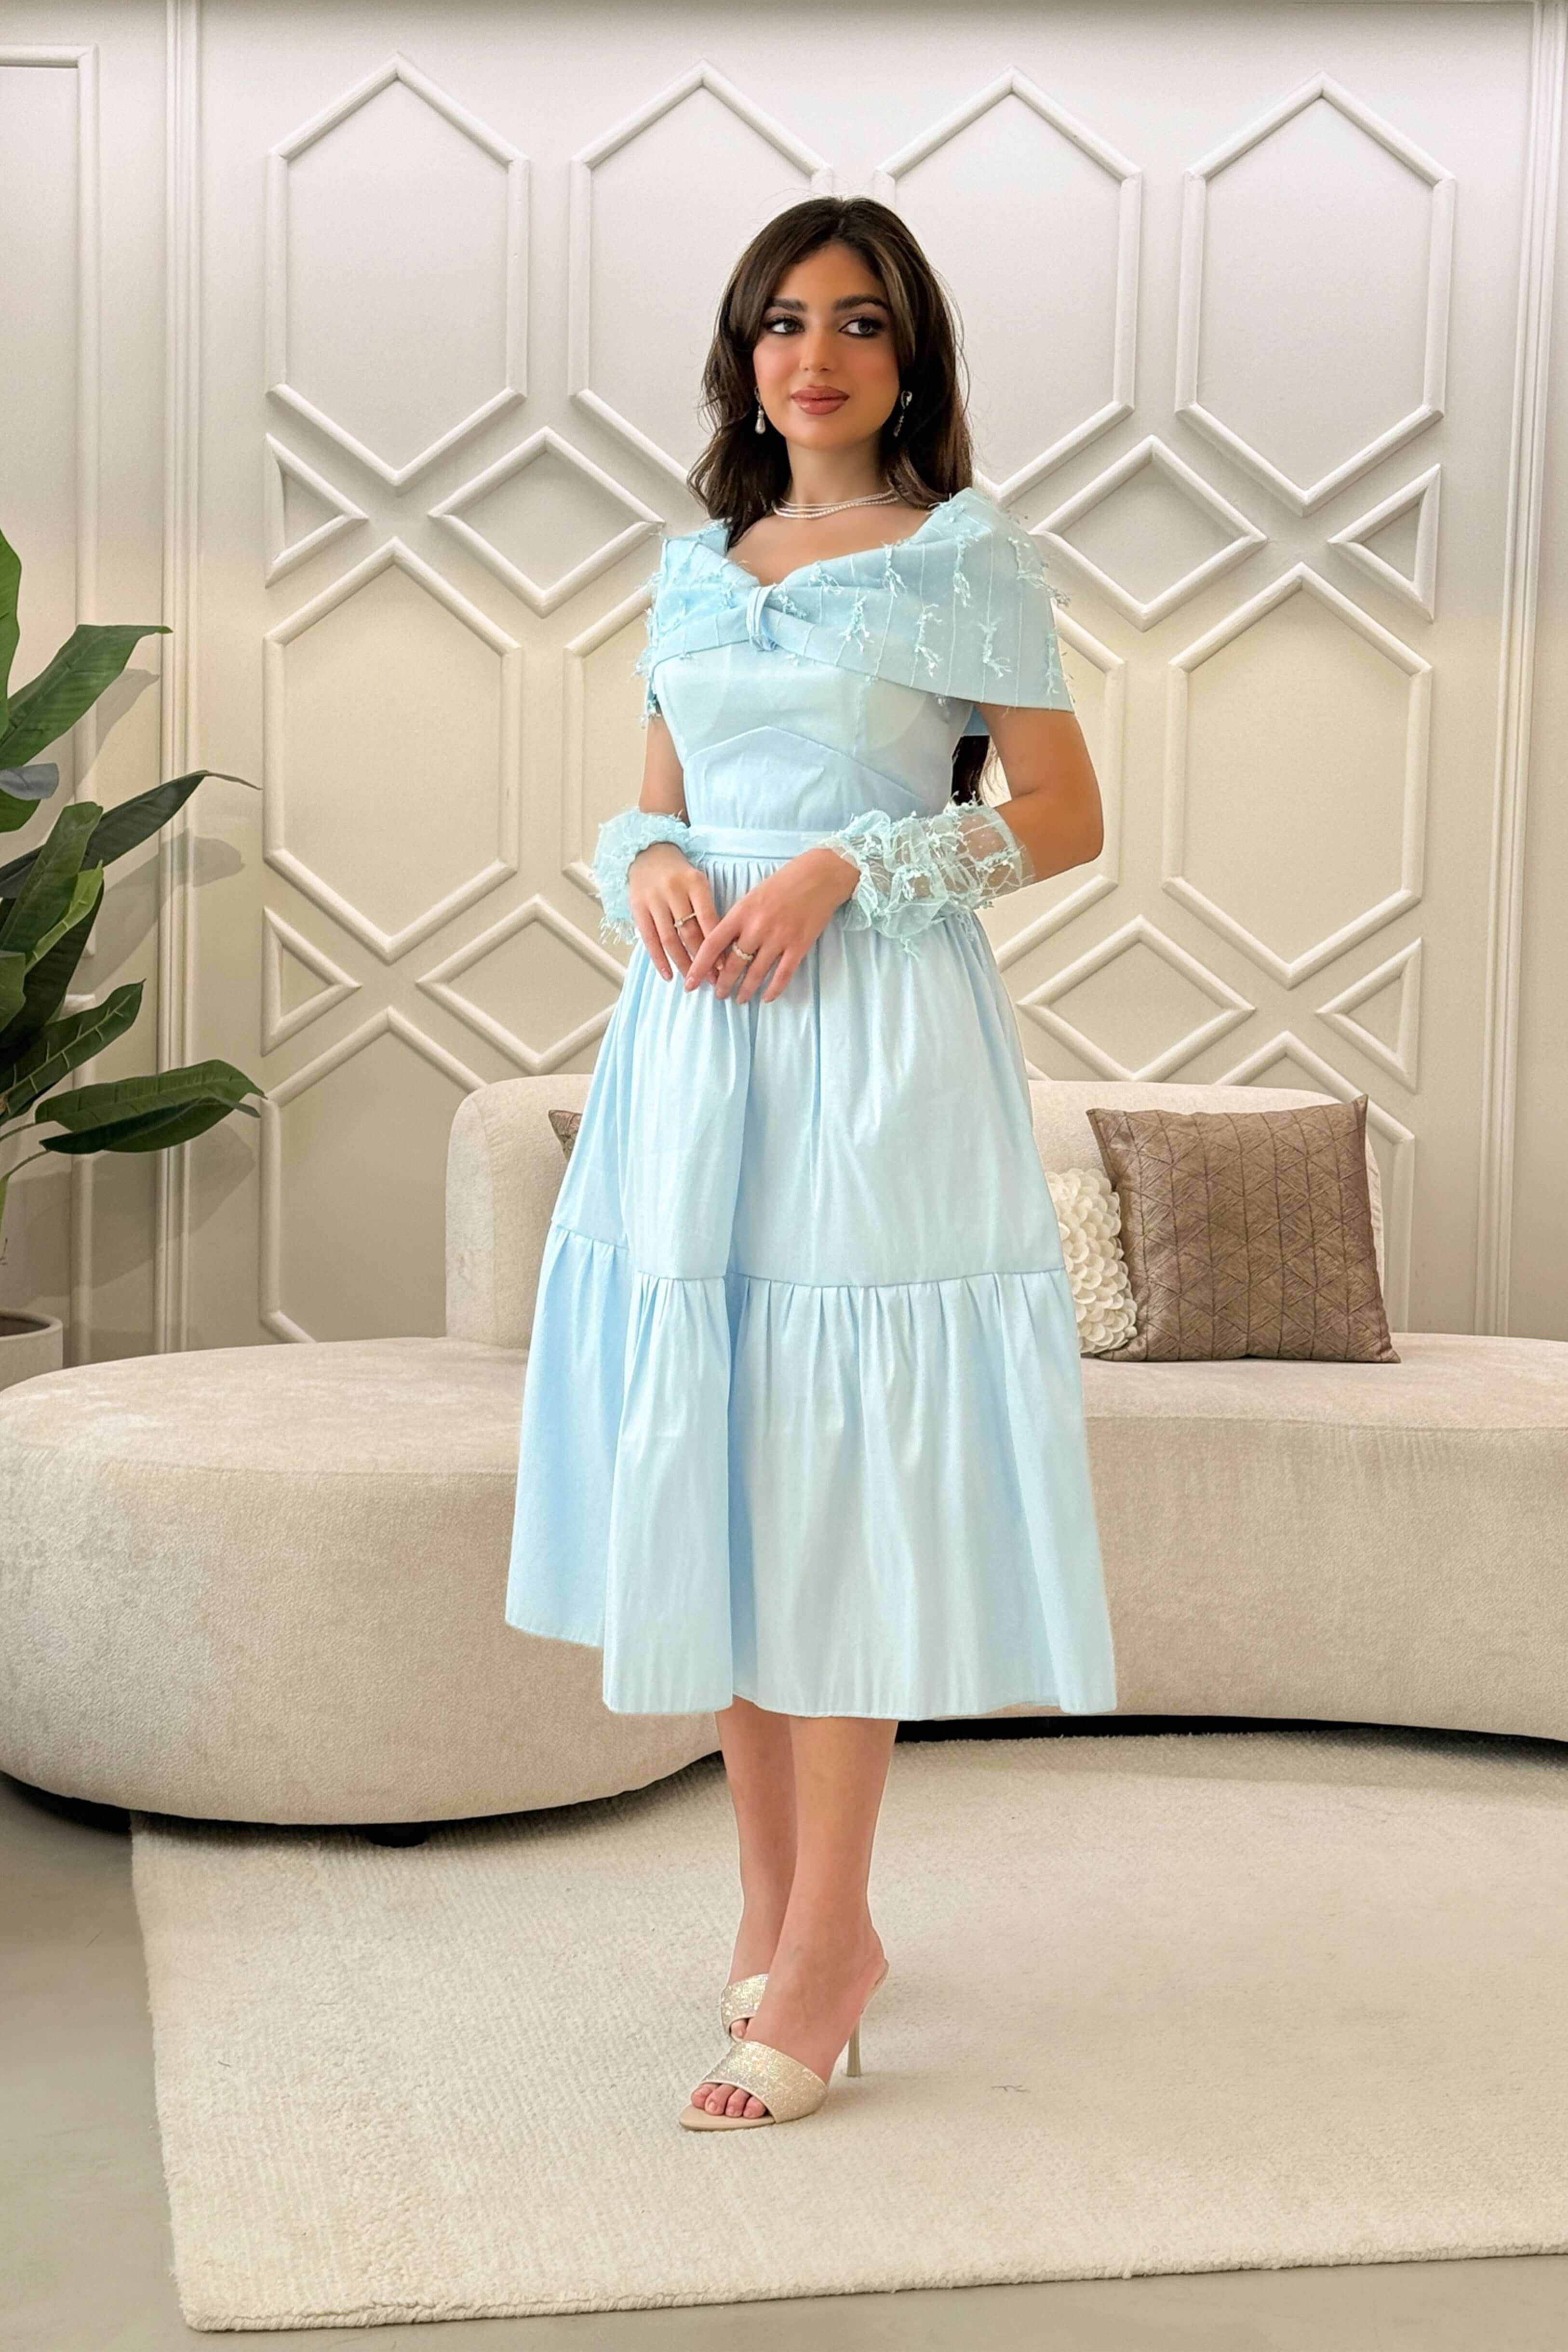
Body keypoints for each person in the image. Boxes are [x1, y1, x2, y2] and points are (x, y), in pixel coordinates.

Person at [505, 195, 1116, 2133]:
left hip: (873, 1045)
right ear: (742, 357)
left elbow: (1066, 813)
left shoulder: (964, 553)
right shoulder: (694, 564)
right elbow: (652, 808)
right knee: (723, 1448)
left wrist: (852, 862)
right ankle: (771, 1908)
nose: (814, 353)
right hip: (695, 1045)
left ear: (908, 356)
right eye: (781, 321)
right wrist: (648, 867)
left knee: (839, 1466)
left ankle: (835, 1930)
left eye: (856, 321)